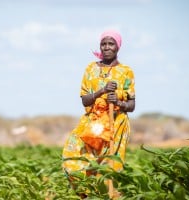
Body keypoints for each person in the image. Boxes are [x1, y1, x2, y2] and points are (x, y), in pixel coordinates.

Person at [62, 30, 135, 197]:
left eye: (111, 44)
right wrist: (102, 91)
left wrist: (117, 102)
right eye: (103, 44)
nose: (107, 47)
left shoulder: (126, 71)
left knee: (108, 166)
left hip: (115, 123)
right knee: (71, 156)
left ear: (118, 47)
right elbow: (84, 100)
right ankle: (87, 195)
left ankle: (106, 196)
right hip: (92, 123)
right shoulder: (91, 69)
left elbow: (132, 105)